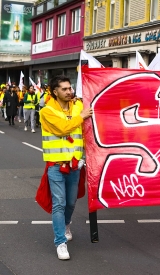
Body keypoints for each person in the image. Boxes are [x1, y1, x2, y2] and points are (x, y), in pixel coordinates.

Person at [39, 75, 92, 260]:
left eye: (70, 88)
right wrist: (81, 116)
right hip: (56, 166)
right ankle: (60, 242)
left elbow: (88, 126)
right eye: (64, 89)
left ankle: (66, 224)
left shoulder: (78, 106)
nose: (69, 91)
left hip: (75, 165)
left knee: (70, 202)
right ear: (55, 92)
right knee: (59, 203)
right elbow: (63, 128)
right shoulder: (46, 111)